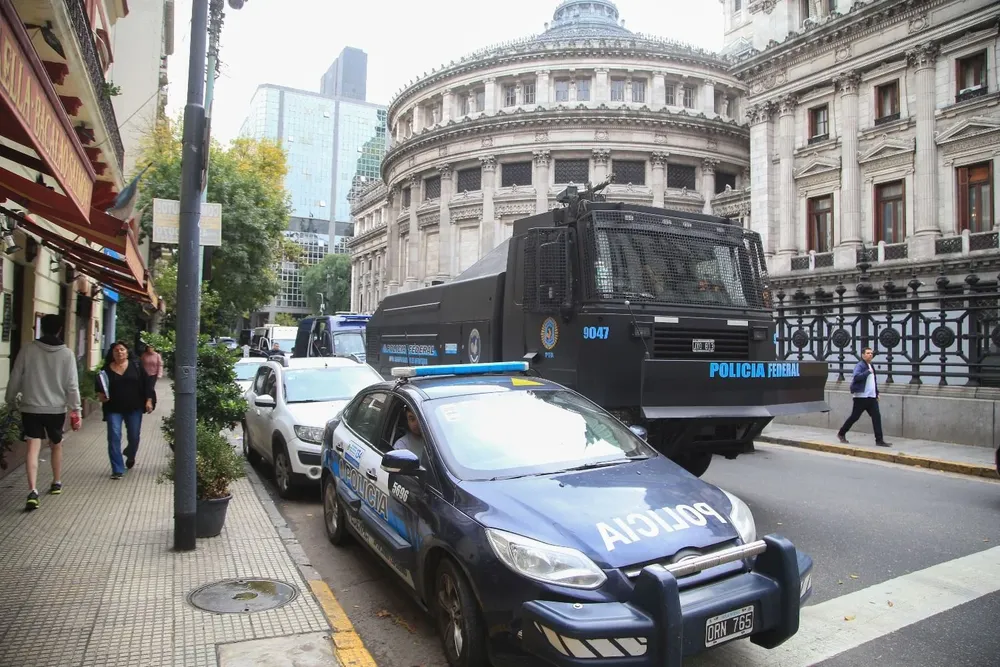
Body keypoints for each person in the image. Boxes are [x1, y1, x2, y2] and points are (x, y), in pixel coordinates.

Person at [4, 314, 82, 510]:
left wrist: (10, 399)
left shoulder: (28, 349)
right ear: (60, 330)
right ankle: (56, 482)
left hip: (31, 407)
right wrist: (76, 409)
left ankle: (32, 491)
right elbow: (72, 385)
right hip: (56, 409)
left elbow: (15, 376)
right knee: (56, 444)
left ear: (39, 327)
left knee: (32, 447)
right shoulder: (67, 354)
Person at [97, 341, 155, 479]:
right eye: (116, 350)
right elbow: (100, 389)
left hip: (134, 407)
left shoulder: (136, 365)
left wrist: (149, 400)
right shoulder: (105, 370)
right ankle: (117, 469)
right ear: (112, 353)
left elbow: (147, 384)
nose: (119, 352)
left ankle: (130, 453)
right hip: (113, 408)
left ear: (127, 352)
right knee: (114, 436)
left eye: (122, 349)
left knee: (134, 436)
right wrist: (101, 396)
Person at [837, 347, 892, 448]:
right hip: (861, 397)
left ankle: (879, 440)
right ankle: (841, 433)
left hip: (871, 397)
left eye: (871, 353)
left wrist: (877, 393)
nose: (870, 355)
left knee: (876, 417)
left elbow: (873, 381)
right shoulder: (860, 365)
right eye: (867, 353)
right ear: (863, 355)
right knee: (854, 417)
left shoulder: (871, 365)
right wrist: (867, 372)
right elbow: (856, 377)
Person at [141, 344, 163, 409]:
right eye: (148, 347)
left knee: (151, 387)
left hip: (153, 374)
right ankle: (147, 399)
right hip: (145, 374)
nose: (150, 349)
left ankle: (153, 400)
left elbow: (160, 365)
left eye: (151, 347)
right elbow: (141, 364)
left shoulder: (157, 355)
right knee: (146, 387)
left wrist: (159, 374)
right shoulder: (144, 355)